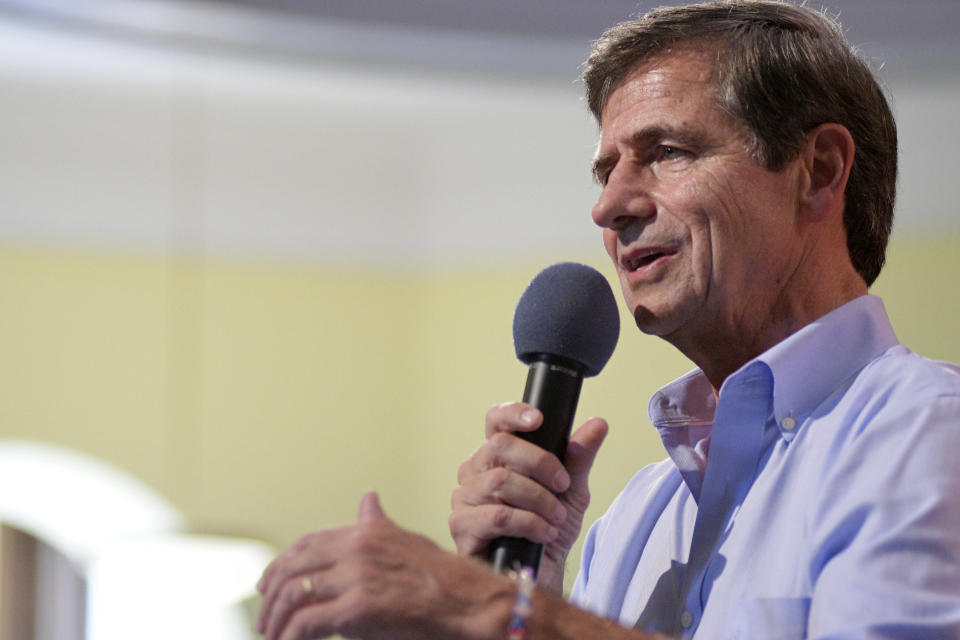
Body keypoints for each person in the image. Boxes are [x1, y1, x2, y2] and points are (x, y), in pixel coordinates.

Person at [256, 1, 960, 638]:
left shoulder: (925, 435)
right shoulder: (634, 522)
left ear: (820, 170)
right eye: (606, 171)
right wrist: (516, 586)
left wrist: (496, 610)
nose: (610, 205)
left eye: (666, 153)